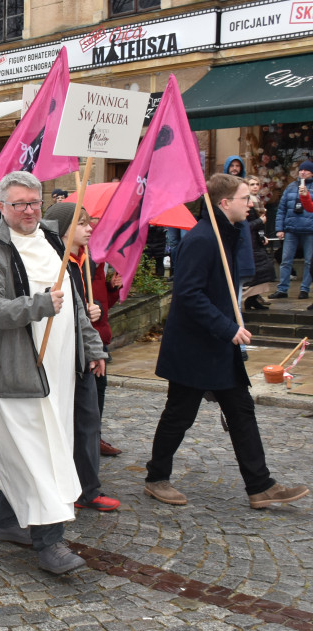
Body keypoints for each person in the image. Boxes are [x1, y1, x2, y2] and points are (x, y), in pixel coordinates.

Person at [145, 173, 309, 509]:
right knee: (179, 414)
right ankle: (156, 477)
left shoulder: (225, 236)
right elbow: (189, 294)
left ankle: (260, 486)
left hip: (219, 346)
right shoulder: (202, 239)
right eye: (244, 198)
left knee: (241, 411)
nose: (251, 203)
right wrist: (227, 328)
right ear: (224, 202)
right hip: (194, 348)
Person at [0, 171, 105, 576]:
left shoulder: (51, 240)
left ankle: (4, 521)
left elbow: (73, 301)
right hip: (14, 375)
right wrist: (37, 305)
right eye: (19, 204)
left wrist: (91, 345)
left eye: (34, 202)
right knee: (39, 457)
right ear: (2, 207)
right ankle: (50, 543)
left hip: (58, 373)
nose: (28, 211)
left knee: (23, 453)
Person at [42, 202, 120, 511]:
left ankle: (87, 490)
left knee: (88, 421)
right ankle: (65, 486)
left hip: (82, 354)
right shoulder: (52, 263)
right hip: (60, 357)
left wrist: (94, 347)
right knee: (63, 425)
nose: (90, 228)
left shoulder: (84, 261)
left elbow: (84, 312)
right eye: (83, 223)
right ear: (64, 229)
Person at [268, 160, 313, 300]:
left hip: (310, 230)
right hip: (291, 230)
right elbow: (281, 210)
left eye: (306, 170)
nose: (303, 172)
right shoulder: (290, 187)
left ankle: (304, 289)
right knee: (286, 260)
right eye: (301, 170)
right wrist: (279, 229)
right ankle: (282, 289)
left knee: (309, 262)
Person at [242, 177, 275, 311]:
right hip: (249, 244)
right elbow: (245, 226)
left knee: (265, 271)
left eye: (257, 184)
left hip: (257, 242)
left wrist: (262, 235)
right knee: (259, 273)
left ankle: (253, 300)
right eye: (252, 184)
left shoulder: (258, 202)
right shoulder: (246, 204)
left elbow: (259, 226)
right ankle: (248, 299)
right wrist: (260, 221)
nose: (255, 186)